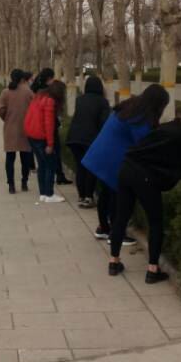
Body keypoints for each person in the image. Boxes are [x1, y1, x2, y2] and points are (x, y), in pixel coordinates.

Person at [109, 102, 181, 282]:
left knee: (121, 216)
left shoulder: (172, 125)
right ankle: (152, 270)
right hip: (145, 177)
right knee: (156, 222)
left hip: (126, 167)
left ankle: (114, 262)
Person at [82, 83, 169, 243]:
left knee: (105, 194)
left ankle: (104, 228)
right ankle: (116, 234)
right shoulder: (140, 117)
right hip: (113, 160)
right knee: (118, 197)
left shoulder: (130, 107)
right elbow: (144, 143)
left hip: (101, 154)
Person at [66, 75, 111, 207]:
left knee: (80, 167)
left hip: (74, 138)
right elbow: (104, 123)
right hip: (89, 139)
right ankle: (88, 197)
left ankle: (81, 196)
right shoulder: (102, 102)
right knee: (91, 167)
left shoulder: (79, 99)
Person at [23, 80, 67, 204]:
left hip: (31, 134)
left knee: (42, 165)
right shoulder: (50, 101)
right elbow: (49, 124)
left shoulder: (39, 96)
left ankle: (43, 193)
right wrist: (50, 144)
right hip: (41, 136)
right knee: (50, 165)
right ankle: (49, 194)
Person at [30, 66, 72, 186]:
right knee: (53, 153)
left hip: (37, 126)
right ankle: (52, 183)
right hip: (47, 125)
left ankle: (53, 178)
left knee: (44, 158)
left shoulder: (36, 89)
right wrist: (50, 142)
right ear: (49, 78)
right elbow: (49, 119)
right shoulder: (48, 92)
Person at [0, 68, 33, 194]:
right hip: (25, 128)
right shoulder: (28, 91)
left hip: (10, 128)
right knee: (25, 157)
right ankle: (24, 182)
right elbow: (34, 108)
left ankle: (11, 185)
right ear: (22, 78)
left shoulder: (6, 92)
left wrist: (6, 118)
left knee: (10, 158)